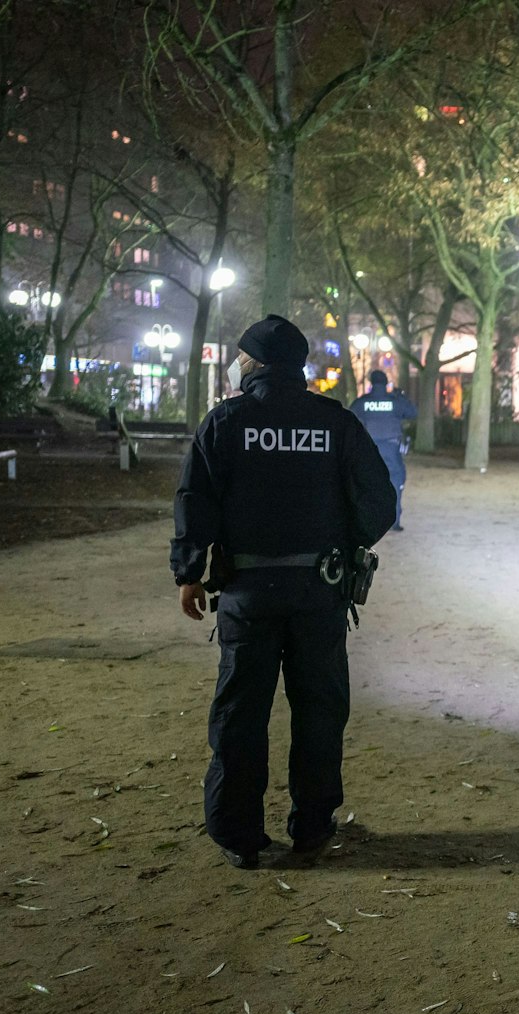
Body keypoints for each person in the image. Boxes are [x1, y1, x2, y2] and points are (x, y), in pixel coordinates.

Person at [171, 315, 398, 871]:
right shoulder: (334, 423)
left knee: (240, 714)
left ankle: (239, 834)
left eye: (238, 357)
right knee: (320, 710)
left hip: (247, 594)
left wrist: (189, 571)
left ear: (251, 363)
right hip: (319, 592)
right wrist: (343, 547)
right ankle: (312, 827)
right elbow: (379, 499)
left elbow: (195, 499)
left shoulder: (226, 422)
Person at [350, 369, 419, 531]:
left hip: (368, 449)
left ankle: (368, 522)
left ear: (371, 382)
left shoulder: (361, 402)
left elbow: (349, 418)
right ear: (386, 382)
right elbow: (413, 413)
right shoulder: (395, 401)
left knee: (367, 483)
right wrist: (401, 396)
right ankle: (394, 521)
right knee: (395, 481)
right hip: (391, 449)